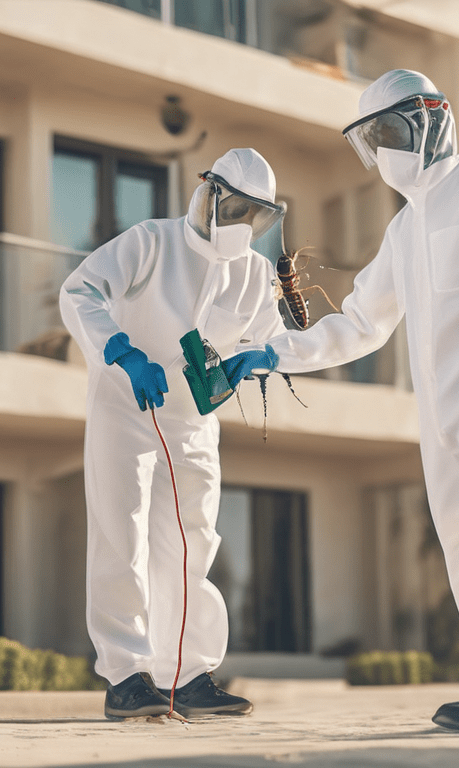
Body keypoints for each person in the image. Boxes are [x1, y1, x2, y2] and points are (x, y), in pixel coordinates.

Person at [225, 70, 459, 732]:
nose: (382, 149)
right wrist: (274, 353)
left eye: (388, 131)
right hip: (444, 413)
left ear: (429, 121)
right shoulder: (404, 231)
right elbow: (361, 323)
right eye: (372, 138)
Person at [59, 148, 288, 720]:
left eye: (255, 215)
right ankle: (126, 676)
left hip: (193, 421)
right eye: (236, 207)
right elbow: (79, 291)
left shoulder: (257, 273)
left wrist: (253, 362)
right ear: (210, 195)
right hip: (126, 405)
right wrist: (121, 352)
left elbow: (269, 338)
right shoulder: (151, 241)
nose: (243, 224)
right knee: (122, 532)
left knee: (193, 543)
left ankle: (186, 676)